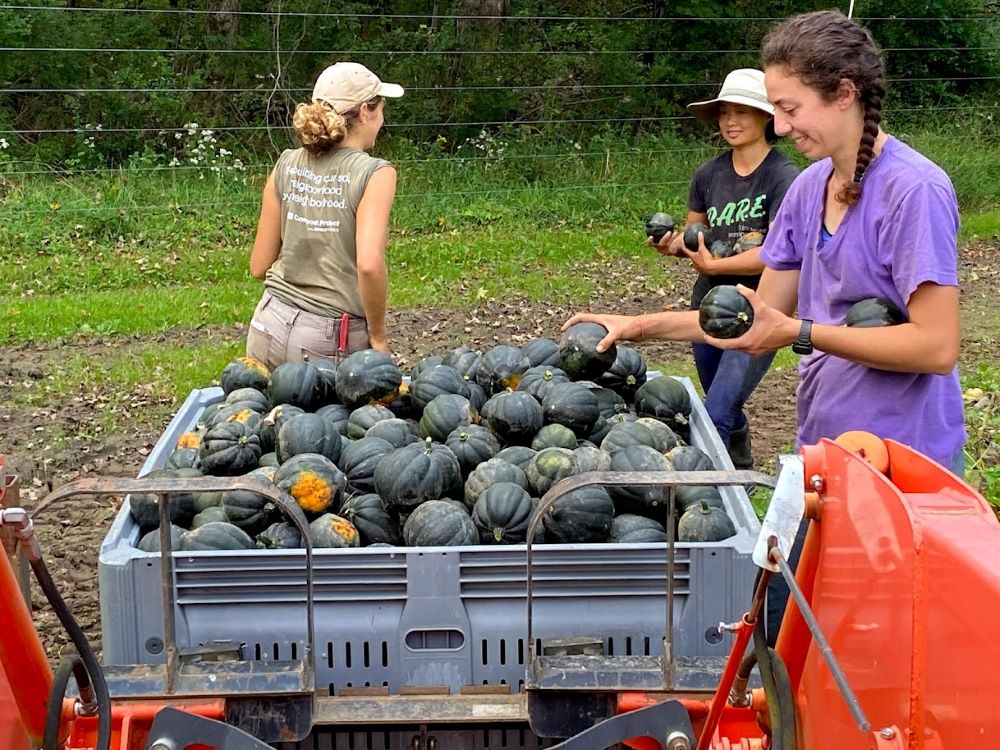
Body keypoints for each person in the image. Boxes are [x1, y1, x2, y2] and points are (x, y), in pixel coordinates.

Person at [566, 9, 966, 641]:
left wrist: (802, 333)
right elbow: (748, 316)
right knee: (788, 632)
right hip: (826, 455)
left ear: (844, 93)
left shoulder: (913, 192)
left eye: (789, 108)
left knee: (883, 650)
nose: (779, 126)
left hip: (902, 470)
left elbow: (937, 346)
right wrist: (636, 325)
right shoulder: (810, 190)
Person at [648, 68, 799, 469]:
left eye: (742, 112)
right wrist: (675, 245)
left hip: (759, 308)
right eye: (724, 113)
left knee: (717, 409)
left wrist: (715, 263)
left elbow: (776, 253)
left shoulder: (785, 179)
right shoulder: (708, 174)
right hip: (709, 308)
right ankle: (742, 463)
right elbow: (696, 233)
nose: (730, 121)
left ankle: (715, 493)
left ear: (766, 116)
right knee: (721, 398)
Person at [247, 62, 403, 369]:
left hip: (267, 324)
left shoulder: (286, 163)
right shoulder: (375, 173)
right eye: (381, 108)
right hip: (328, 343)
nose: (382, 118)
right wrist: (380, 339)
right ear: (365, 112)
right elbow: (369, 265)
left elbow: (258, 266)